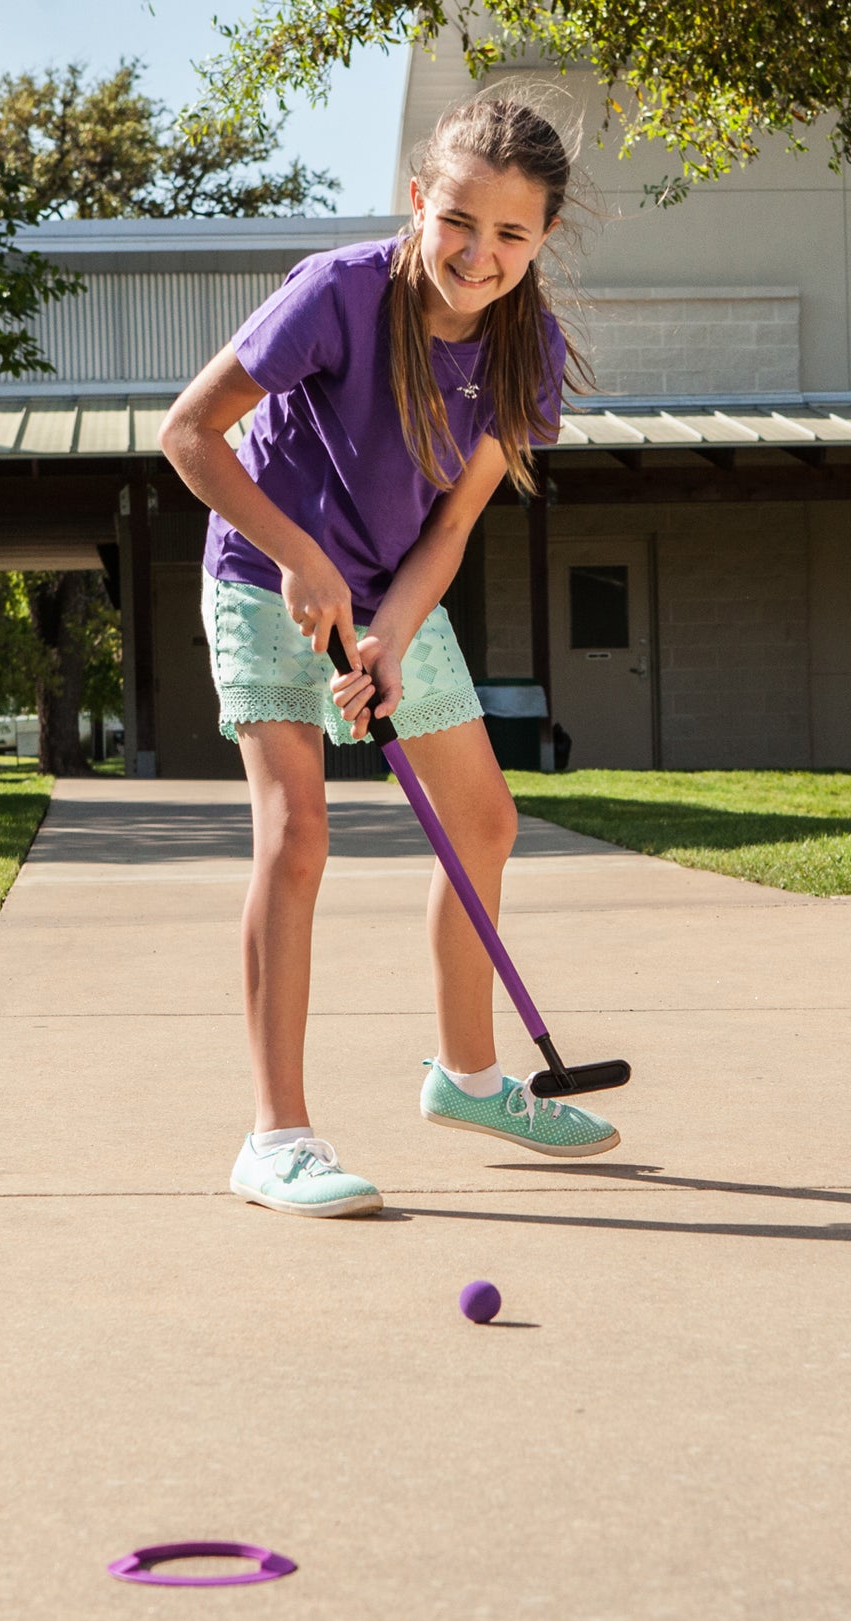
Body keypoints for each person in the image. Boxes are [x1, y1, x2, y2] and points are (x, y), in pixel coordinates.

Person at [160, 95, 620, 1220]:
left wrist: (395, 634)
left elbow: (454, 523)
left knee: (484, 822)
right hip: (264, 570)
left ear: (544, 236)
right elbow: (188, 434)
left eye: (510, 234)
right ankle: (275, 1138)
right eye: (458, 220)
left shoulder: (525, 345)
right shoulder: (338, 293)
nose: (478, 254)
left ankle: (469, 1078)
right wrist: (302, 558)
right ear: (419, 199)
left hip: (391, 586)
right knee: (298, 835)